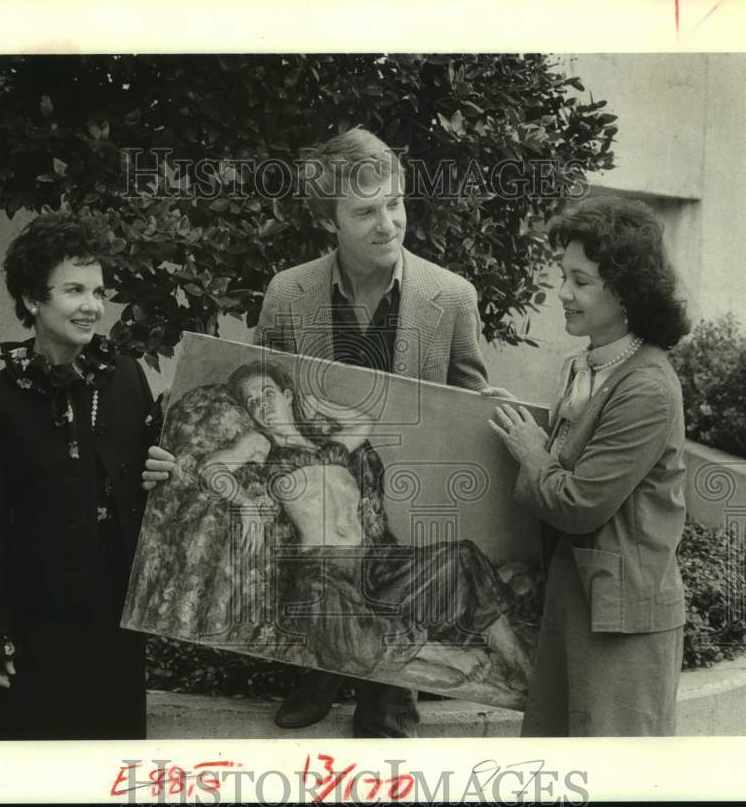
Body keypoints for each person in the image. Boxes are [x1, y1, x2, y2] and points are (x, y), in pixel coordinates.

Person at [144, 127, 512, 737]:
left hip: (382, 485)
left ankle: (388, 696)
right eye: (366, 212)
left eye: (394, 203)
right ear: (330, 221)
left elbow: (467, 396)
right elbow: (252, 398)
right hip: (310, 489)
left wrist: (489, 407)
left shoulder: (450, 297)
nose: (388, 223)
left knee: (389, 697)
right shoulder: (288, 294)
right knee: (327, 576)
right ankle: (318, 667)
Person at [195, 360, 530, 698]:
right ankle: (439, 653)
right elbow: (212, 467)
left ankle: (519, 665)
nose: (260, 405)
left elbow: (362, 422)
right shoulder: (261, 445)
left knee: (461, 558)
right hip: (322, 568)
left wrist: (320, 405)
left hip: (374, 564)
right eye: (251, 401)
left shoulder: (332, 449)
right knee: (325, 612)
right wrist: (246, 504)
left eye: (267, 393)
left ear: (287, 395)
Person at [488, 196, 691, 736]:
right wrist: (517, 424)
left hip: (621, 623)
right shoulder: (585, 367)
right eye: (562, 276)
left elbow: (579, 504)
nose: (562, 293)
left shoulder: (646, 387)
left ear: (624, 292)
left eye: (580, 281)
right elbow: (572, 456)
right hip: (577, 601)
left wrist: (532, 451)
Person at [0, 213, 158, 740]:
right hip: (33, 621)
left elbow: (151, 481)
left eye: (97, 291)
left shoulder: (128, 379)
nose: (92, 305)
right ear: (33, 299)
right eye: (74, 290)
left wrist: (163, 470)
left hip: (114, 616)